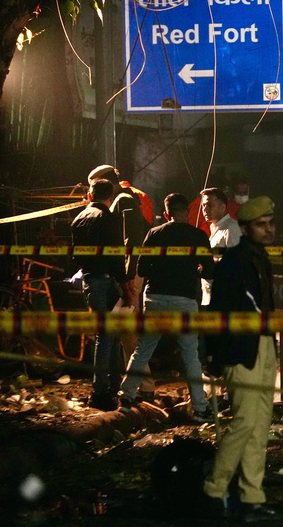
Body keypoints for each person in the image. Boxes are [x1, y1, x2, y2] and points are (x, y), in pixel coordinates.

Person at [202, 195, 279, 522]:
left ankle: (252, 497)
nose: (268, 229)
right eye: (261, 225)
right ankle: (214, 489)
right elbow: (218, 311)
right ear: (245, 228)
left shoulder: (259, 258)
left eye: (270, 223)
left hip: (263, 345)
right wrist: (214, 354)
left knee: (260, 426)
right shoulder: (235, 263)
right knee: (247, 421)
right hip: (241, 349)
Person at [119, 193, 216, 422]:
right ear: (188, 212)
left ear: (165, 214)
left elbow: (142, 269)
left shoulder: (154, 233)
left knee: (143, 350)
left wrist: (161, 269)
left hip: (156, 299)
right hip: (185, 300)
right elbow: (210, 271)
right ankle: (200, 408)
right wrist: (194, 270)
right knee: (190, 355)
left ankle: (125, 397)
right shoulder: (198, 235)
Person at [88, 164, 155, 400]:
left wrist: (128, 277)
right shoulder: (124, 199)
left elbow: (132, 241)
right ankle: (137, 385)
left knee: (129, 331)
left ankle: (144, 387)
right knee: (126, 332)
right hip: (128, 271)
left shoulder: (124, 200)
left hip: (131, 273)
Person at [70, 179, 127, 411]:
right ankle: (102, 390)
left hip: (90, 280)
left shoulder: (78, 218)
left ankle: (109, 388)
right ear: (111, 197)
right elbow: (116, 253)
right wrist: (124, 282)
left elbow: (76, 255)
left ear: (91, 194)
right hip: (107, 281)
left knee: (105, 335)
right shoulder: (109, 217)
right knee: (108, 336)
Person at [199, 186, 242, 306]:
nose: (205, 209)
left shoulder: (231, 228)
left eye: (210, 205)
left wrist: (208, 263)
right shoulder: (216, 229)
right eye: (203, 205)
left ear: (222, 207)